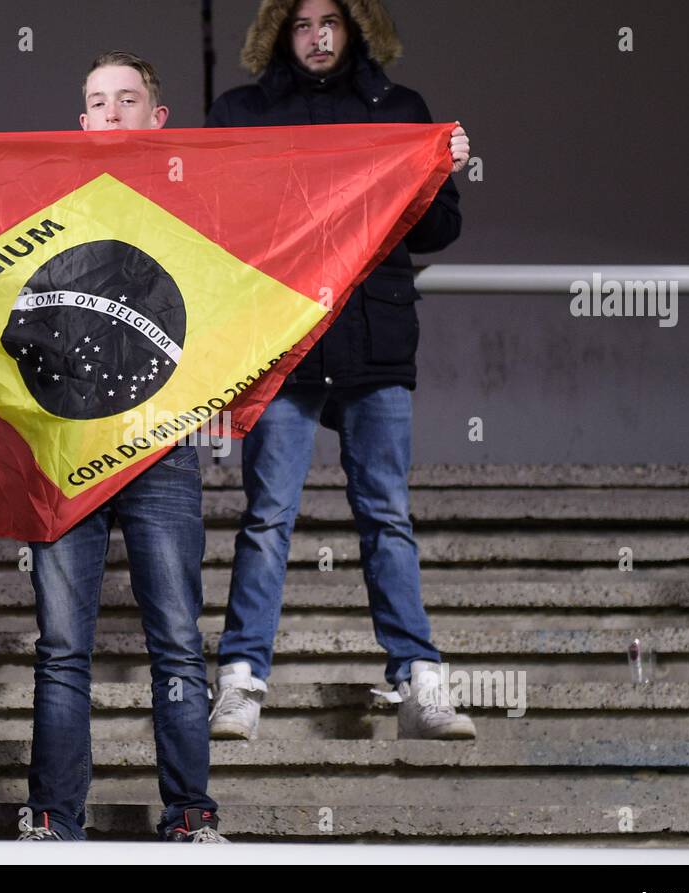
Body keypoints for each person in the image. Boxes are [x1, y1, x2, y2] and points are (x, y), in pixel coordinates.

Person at [206, 0, 477, 741]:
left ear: (355, 26)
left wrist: (437, 169)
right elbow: (209, 219)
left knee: (386, 513)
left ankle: (420, 684)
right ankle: (240, 682)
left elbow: (440, 229)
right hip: (282, 342)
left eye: (330, 20)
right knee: (267, 519)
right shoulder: (240, 114)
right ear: (278, 33)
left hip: (373, 338)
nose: (317, 36)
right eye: (301, 23)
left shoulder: (400, 110)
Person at [17, 51, 226, 843]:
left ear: (156, 117)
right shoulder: (46, 195)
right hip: (67, 444)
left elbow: (301, 203)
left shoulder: (195, 197)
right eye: (96, 101)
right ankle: (52, 818)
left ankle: (191, 815)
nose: (109, 114)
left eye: (126, 100)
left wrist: (421, 163)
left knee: (175, 639)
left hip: (163, 443)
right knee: (63, 646)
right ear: (81, 119)